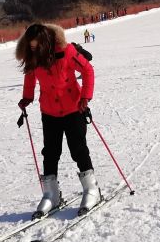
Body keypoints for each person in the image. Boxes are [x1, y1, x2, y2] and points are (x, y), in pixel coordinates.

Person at [15, 23, 98, 218]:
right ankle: (51, 194)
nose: (33, 48)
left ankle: (92, 189)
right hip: (49, 110)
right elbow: (30, 76)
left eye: (36, 45)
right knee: (50, 152)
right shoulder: (33, 56)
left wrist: (85, 97)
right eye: (30, 46)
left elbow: (88, 71)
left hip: (73, 108)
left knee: (78, 149)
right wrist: (27, 97)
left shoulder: (67, 51)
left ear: (45, 42)